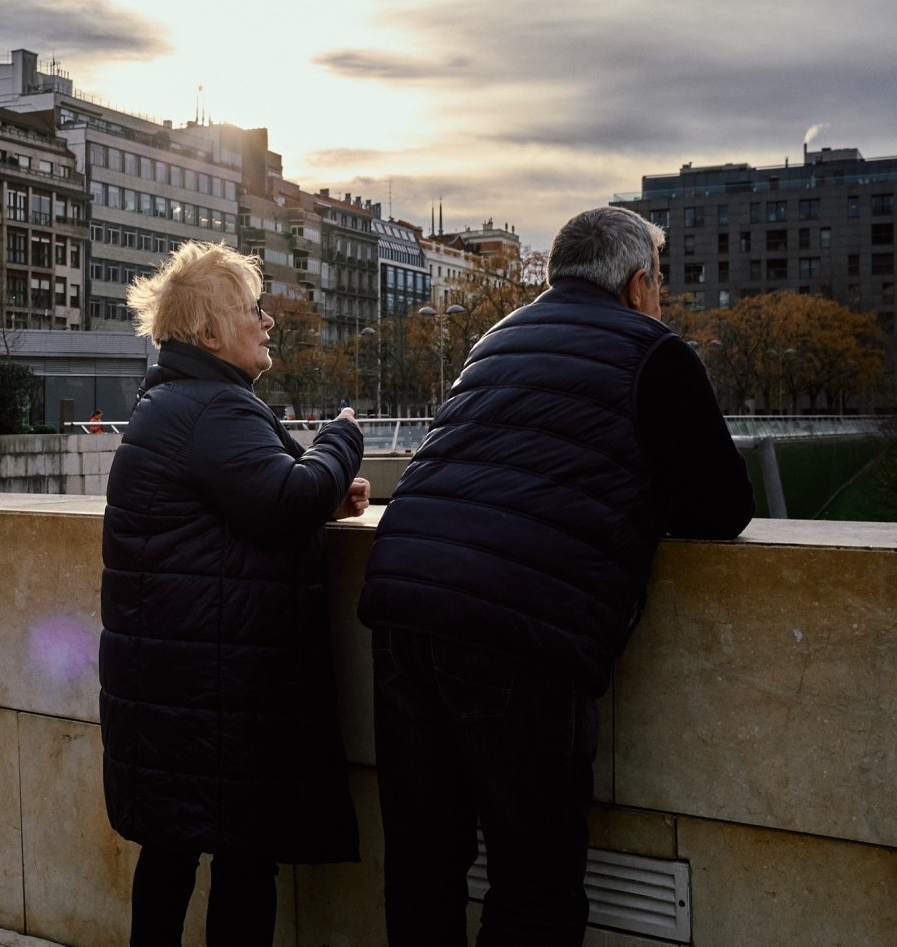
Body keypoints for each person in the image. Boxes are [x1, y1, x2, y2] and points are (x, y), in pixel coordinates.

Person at [358, 206, 754, 947]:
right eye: (659, 283)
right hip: (517, 629)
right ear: (640, 285)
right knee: (533, 885)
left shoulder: (494, 338)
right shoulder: (654, 350)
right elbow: (724, 505)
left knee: (423, 867)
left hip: (403, 605)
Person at [100, 240, 371, 947]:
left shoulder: (170, 407)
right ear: (211, 335)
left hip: (175, 685)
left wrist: (324, 501)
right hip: (217, 694)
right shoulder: (214, 410)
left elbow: (243, 505)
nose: (268, 322)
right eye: (254, 309)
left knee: (169, 850)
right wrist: (342, 438)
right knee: (245, 857)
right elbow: (284, 498)